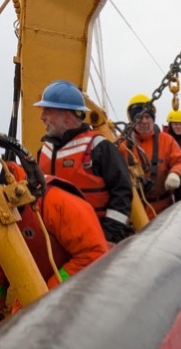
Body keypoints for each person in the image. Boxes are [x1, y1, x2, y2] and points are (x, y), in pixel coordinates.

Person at [0, 162, 108, 333]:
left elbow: (94, 254)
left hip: (82, 301)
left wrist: (45, 295)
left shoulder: (55, 201)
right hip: (32, 306)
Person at [34, 79, 133, 245]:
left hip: (94, 241)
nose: (42, 117)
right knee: (63, 273)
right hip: (55, 244)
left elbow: (122, 193)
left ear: (66, 115)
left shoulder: (100, 148)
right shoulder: (43, 152)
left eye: (47, 110)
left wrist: (108, 237)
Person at [122, 94, 181, 216]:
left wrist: (175, 173)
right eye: (139, 117)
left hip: (162, 209)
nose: (144, 121)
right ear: (132, 120)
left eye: (147, 116)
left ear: (153, 118)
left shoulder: (167, 141)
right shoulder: (121, 144)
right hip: (132, 210)